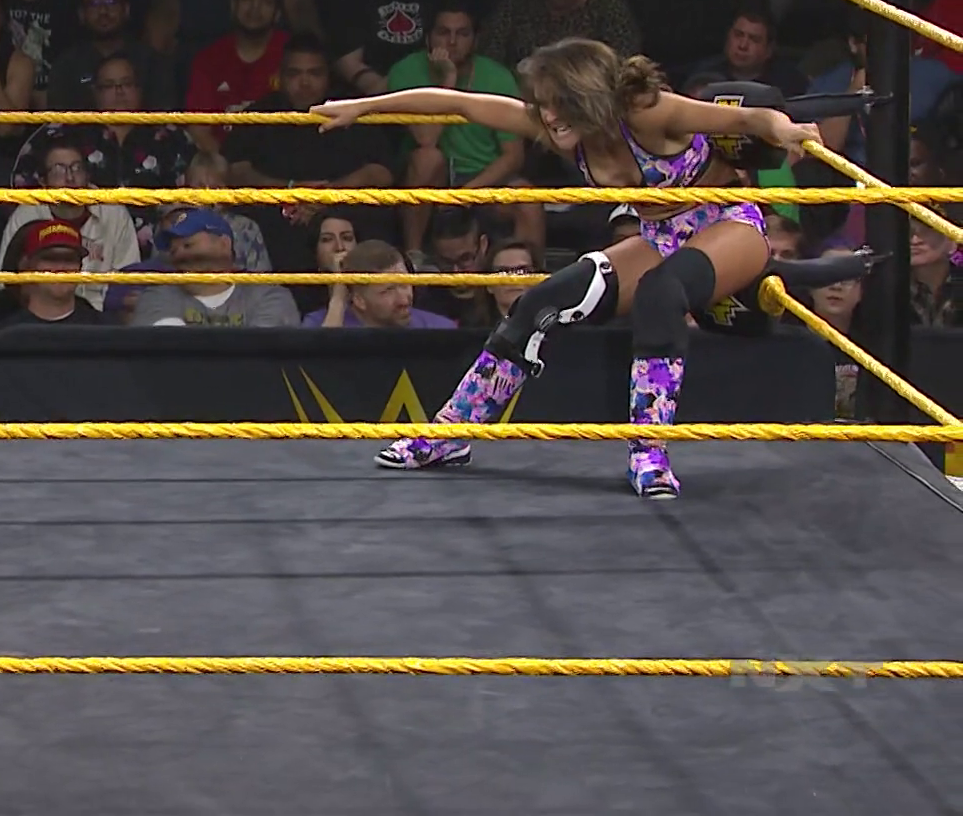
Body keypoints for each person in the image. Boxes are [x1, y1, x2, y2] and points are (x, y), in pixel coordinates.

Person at [311, 37, 822, 499]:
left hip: (728, 222)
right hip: (659, 235)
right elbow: (459, 103)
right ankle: (449, 433)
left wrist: (787, 129)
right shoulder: (552, 123)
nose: (549, 116)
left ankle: (649, 453)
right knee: (539, 303)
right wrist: (363, 106)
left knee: (660, 293)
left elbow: (747, 120)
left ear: (587, 96)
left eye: (558, 102)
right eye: (541, 102)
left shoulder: (647, 111)